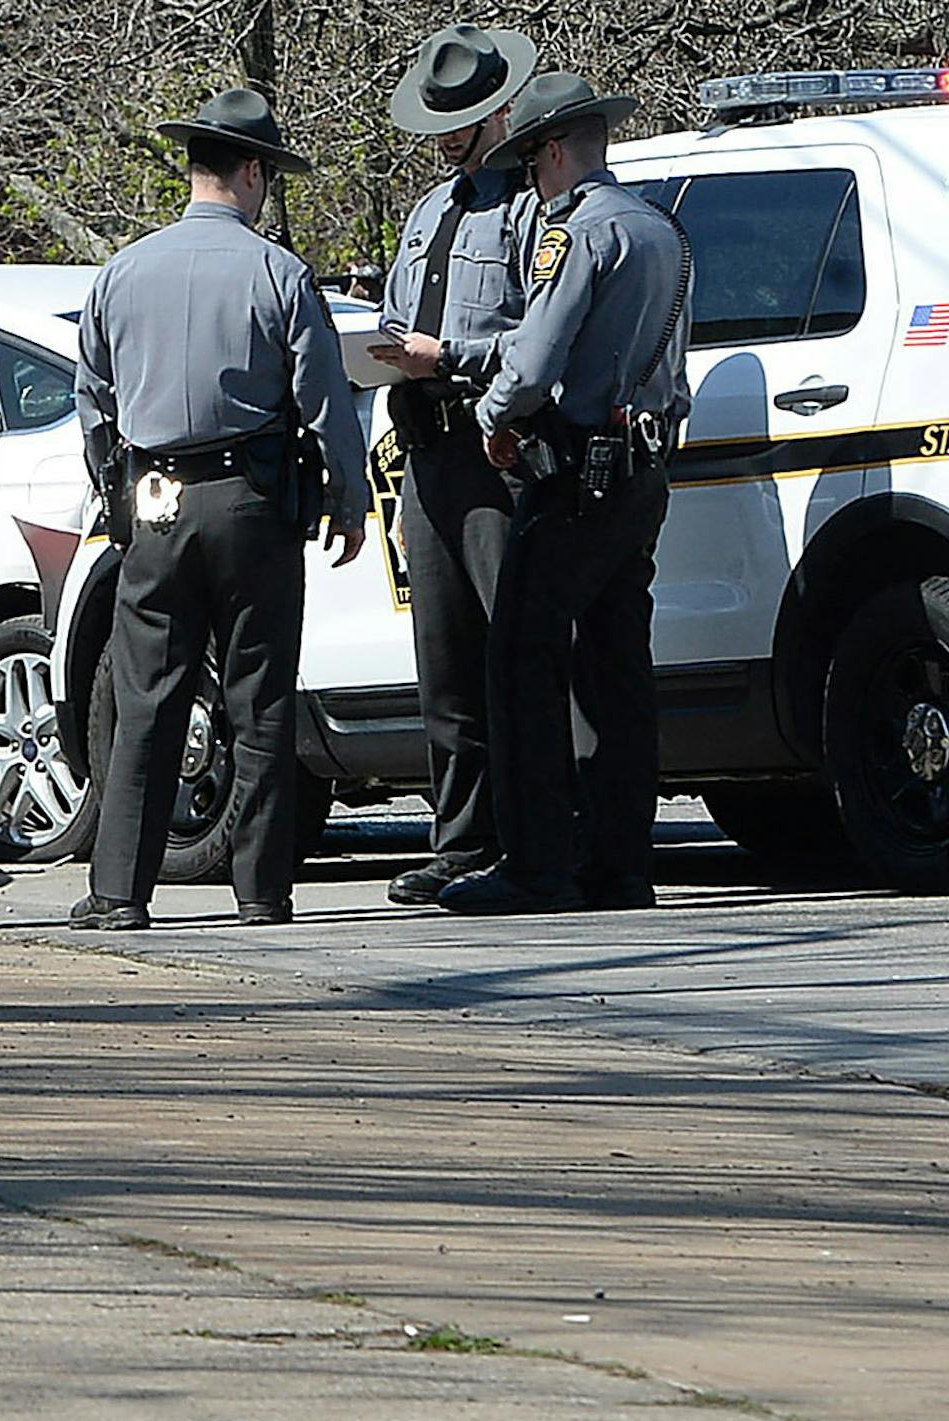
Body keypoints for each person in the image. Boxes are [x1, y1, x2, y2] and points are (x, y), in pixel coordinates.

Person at [71, 88, 369, 932]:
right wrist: (348, 499)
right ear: (252, 174)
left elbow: (91, 401)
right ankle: (261, 890)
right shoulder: (278, 273)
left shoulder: (122, 272)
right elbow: (325, 404)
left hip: (155, 500)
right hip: (251, 500)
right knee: (259, 695)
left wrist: (116, 490)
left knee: (146, 696)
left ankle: (119, 891)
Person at [437, 71, 692, 915]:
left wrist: (492, 414)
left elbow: (534, 360)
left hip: (577, 471)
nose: (530, 180)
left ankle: (536, 861)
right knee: (618, 665)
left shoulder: (577, 235)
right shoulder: (663, 229)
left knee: (521, 654)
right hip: (642, 470)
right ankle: (621, 862)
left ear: (552, 152)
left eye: (530, 161)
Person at [368, 23, 540, 905]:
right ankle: (460, 839)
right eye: (437, 123)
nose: (446, 139)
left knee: (513, 648)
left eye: (460, 123)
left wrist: (453, 356)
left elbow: (541, 336)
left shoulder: (531, 210)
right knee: (442, 657)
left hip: (494, 445)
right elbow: (401, 316)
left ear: (498, 113)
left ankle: (531, 835)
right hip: (427, 449)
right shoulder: (428, 212)